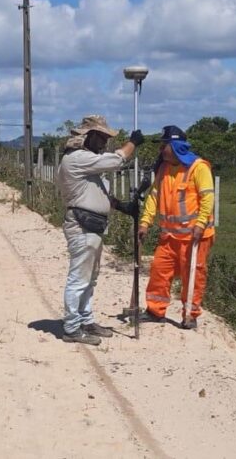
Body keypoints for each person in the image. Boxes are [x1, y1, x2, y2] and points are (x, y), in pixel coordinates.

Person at [56, 115, 145, 345]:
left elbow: (97, 193)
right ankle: (72, 327)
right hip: (82, 225)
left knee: (90, 278)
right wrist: (132, 143)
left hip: (93, 226)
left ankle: (85, 319)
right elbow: (116, 160)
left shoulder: (86, 163)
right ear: (89, 136)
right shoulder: (77, 158)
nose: (105, 142)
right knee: (79, 278)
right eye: (102, 137)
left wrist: (122, 206)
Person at [138, 125, 215, 330]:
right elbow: (154, 197)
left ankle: (190, 315)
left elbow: (207, 197)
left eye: (164, 145)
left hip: (195, 237)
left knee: (193, 276)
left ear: (175, 146)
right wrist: (145, 222)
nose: (161, 150)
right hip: (169, 236)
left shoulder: (198, 168)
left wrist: (199, 225)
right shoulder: (163, 169)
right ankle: (155, 310)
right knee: (159, 271)